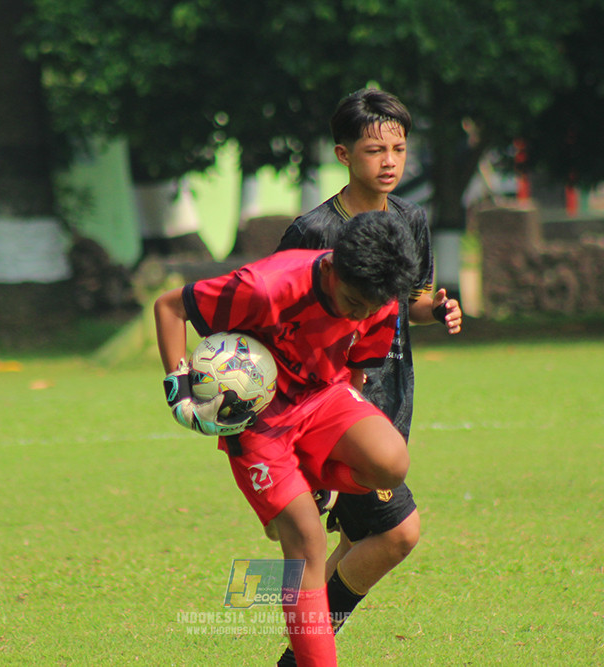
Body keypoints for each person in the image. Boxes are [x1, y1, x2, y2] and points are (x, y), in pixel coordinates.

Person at [154, 211, 421, 667]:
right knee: (307, 543)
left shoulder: (379, 295)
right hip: (258, 422)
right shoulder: (265, 287)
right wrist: (177, 388)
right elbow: (169, 307)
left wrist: (345, 432)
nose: (358, 314)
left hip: (323, 396)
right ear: (331, 267)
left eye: (369, 307)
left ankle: (312, 484)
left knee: (391, 462)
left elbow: (357, 365)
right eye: (352, 301)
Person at [274, 88, 463, 666]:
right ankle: (297, 661)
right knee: (397, 533)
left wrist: (437, 309)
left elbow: (411, 299)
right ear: (343, 154)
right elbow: (277, 322)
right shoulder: (312, 231)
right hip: (334, 413)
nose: (389, 161)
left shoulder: (411, 219)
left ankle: (303, 650)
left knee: (357, 541)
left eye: (399, 149)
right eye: (375, 149)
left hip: (392, 401)